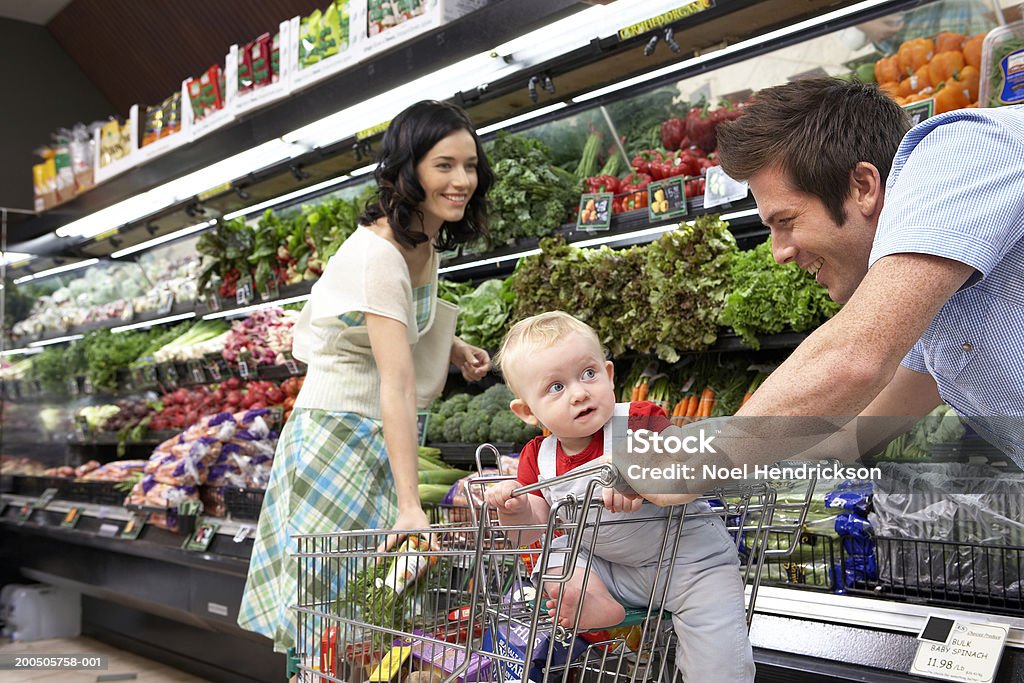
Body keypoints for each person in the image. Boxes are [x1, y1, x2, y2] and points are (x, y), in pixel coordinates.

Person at [619, 78, 1024, 503]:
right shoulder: (937, 306)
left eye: (786, 221)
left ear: (863, 186)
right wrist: (676, 449)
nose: (779, 252)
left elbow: (852, 359)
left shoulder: (965, 149)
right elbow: (847, 435)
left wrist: (689, 477)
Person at [238, 100, 494, 653]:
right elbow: (395, 383)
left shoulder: (420, 237)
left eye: (469, 165)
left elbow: (381, 325)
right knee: (331, 620)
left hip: (369, 434)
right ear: (410, 169)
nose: (462, 180)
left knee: (364, 619)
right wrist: (410, 506)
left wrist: (449, 346)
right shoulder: (380, 254)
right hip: (339, 438)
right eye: (443, 165)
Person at [484, 311, 755, 682]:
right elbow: (529, 531)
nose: (579, 392)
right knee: (553, 557)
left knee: (719, 663)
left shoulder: (640, 420)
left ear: (610, 375)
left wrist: (638, 471)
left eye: (589, 374)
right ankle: (595, 603)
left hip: (691, 565)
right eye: (556, 387)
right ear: (527, 411)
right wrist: (513, 508)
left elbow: (683, 459)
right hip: (612, 572)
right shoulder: (538, 456)